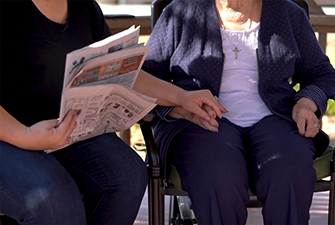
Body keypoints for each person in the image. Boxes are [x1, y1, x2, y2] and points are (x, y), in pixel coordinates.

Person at [0, 0, 225, 224]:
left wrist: (180, 97)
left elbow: (123, 74)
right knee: (53, 201)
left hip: (65, 131)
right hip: (9, 137)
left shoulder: (84, 7)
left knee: (126, 176)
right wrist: (26, 135)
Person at [142, 0, 335, 224]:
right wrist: (179, 108)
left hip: (276, 118)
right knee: (217, 175)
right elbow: (145, 78)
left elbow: (322, 73)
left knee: (288, 172)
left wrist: (306, 103)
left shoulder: (287, 13)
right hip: (200, 122)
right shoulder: (180, 12)